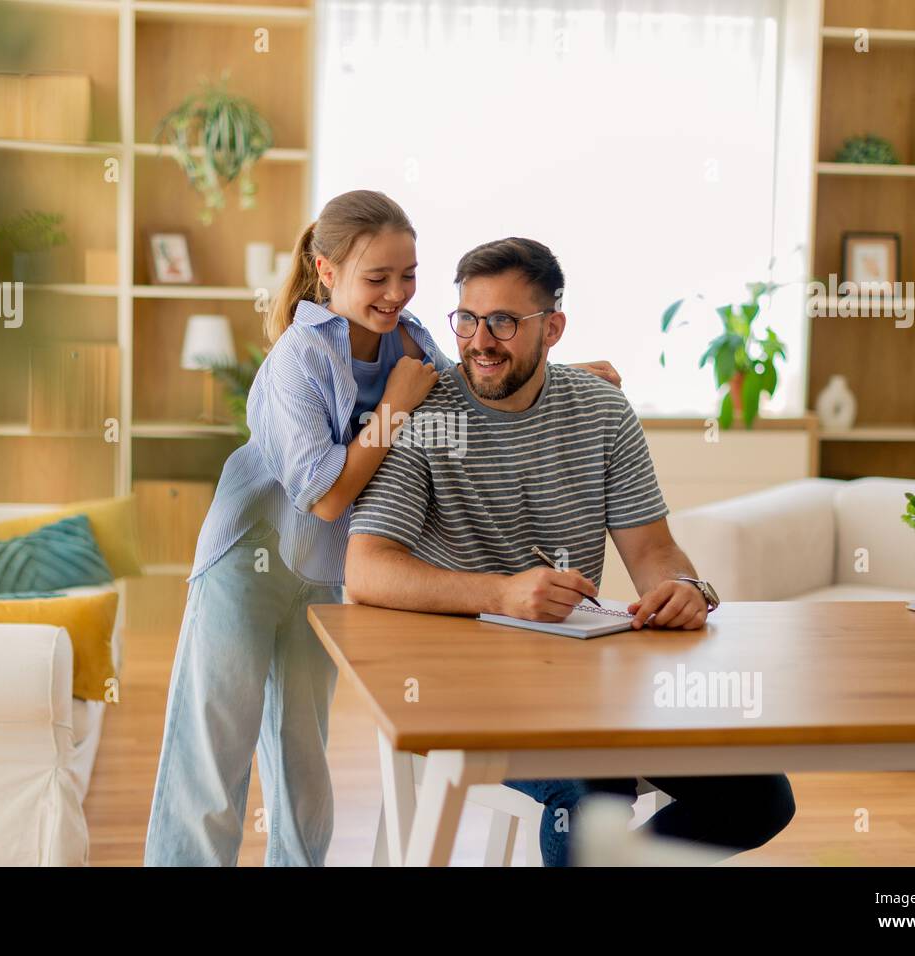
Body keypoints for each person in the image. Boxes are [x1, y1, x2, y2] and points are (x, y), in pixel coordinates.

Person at [146, 192, 621, 866]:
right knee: (215, 749)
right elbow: (329, 497)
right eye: (378, 278)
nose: (397, 293)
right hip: (247, 560)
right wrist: (394, 408)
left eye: (409, 274)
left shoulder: (414, 341)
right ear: (327, 270)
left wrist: (568, 373)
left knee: (303, 758)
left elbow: (474, 387)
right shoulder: (299, 357)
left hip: (321, 571)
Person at [345, 236, 796, 866]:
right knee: (593, 793)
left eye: (503, 321)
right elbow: (365, 569)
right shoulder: (424, 412)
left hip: (584, 689)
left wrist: (684, 589)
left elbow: (655, 551)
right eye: (468, 318)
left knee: (760, 796)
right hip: (458, 689)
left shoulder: (602, 410)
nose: (479, 340)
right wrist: (502, 594)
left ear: (552, 328)